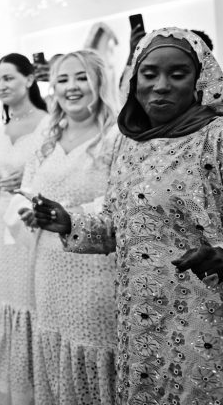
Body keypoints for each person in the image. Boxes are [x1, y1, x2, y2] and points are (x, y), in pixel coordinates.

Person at [30, 28, 223, 405]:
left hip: (204, 313)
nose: (161, 85)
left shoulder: (214, 138)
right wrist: (70, 223)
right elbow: (118, 226)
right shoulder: (130, 141)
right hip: (139, 317)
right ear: (134, 80)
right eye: (149, 74)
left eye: (178, 74)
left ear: (201, 79)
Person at [17, 50, 119, 404]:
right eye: (62, 79)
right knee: (56, 342)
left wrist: (70, 216)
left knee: (93, 348)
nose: (71, 87)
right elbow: (28, 187)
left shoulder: (116, 137)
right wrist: (30, 210)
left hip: (94, 268)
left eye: (81, 78)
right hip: (47, 262)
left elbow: (118, 204)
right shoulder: (48, 132)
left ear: (99, 83)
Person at [0, 52, 48, 405]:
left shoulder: (49, 124)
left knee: (35, 300)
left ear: (29, 79)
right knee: (9, 300)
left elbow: (58, 174)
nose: (1, 85)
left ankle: (41, 384)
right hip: (2, 223)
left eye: (9, 78)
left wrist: (29, 181)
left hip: (35, 225)